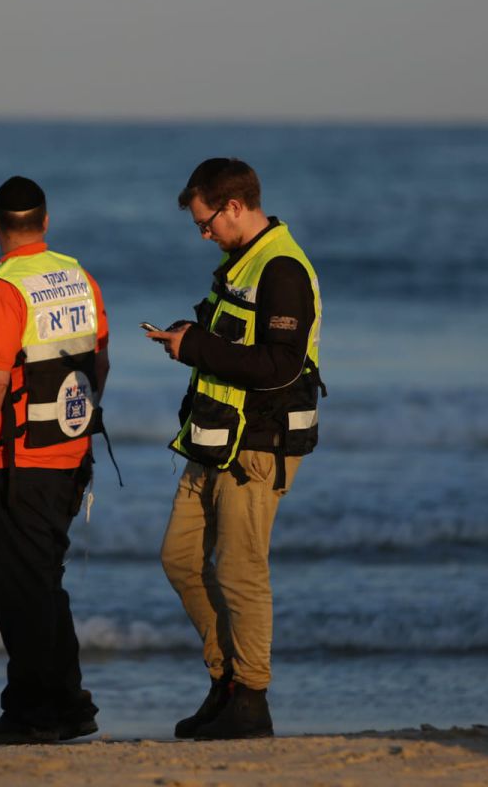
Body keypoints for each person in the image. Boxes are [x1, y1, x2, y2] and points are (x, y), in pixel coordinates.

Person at [145, 158, 325, 740]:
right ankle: (226, 681)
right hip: (214, 438)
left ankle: (251, 696)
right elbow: (232, 341)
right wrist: (189, 335)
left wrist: (195, 348)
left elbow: (281, 365)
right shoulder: (240, 262)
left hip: (258, 445)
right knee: (180, 558)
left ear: (235, 207)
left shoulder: (281, 268)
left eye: (206, 223)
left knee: (242, 570)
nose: (203, 234)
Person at [0, 176, 109, 745]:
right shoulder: (78, 276)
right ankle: (65, 705)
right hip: (71, 453)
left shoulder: (4, 289)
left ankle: (34, 713)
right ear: (46, 221)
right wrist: (77, 422)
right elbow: (99, 361)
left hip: (18, 462)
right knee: (43, 583)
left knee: (20, 590)